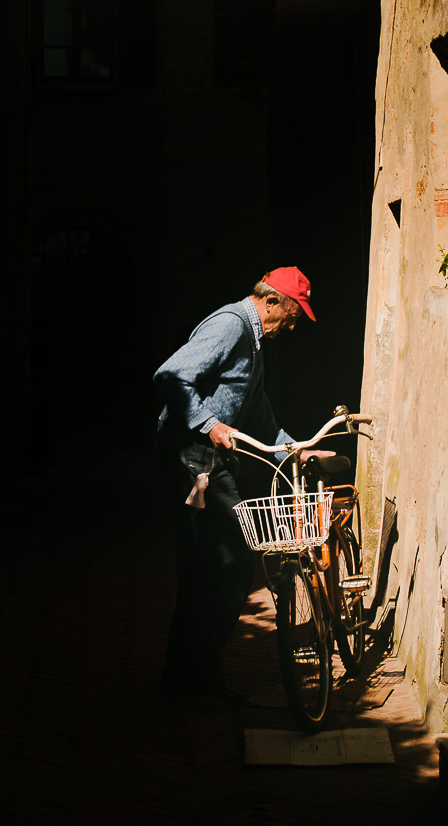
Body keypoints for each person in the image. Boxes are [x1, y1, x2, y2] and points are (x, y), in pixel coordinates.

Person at [153, 266, 330, 704]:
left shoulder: (254, 343)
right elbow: (170, 375)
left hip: (208, 460)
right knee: (230, 563)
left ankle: (187, 681)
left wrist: (296, 449)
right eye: (291, 314)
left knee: (204, 571)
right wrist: (208, 423)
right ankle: (196, 678)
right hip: (196, 460)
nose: (290, 325)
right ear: (270, 300)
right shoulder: (231, 326)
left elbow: (258, 416)